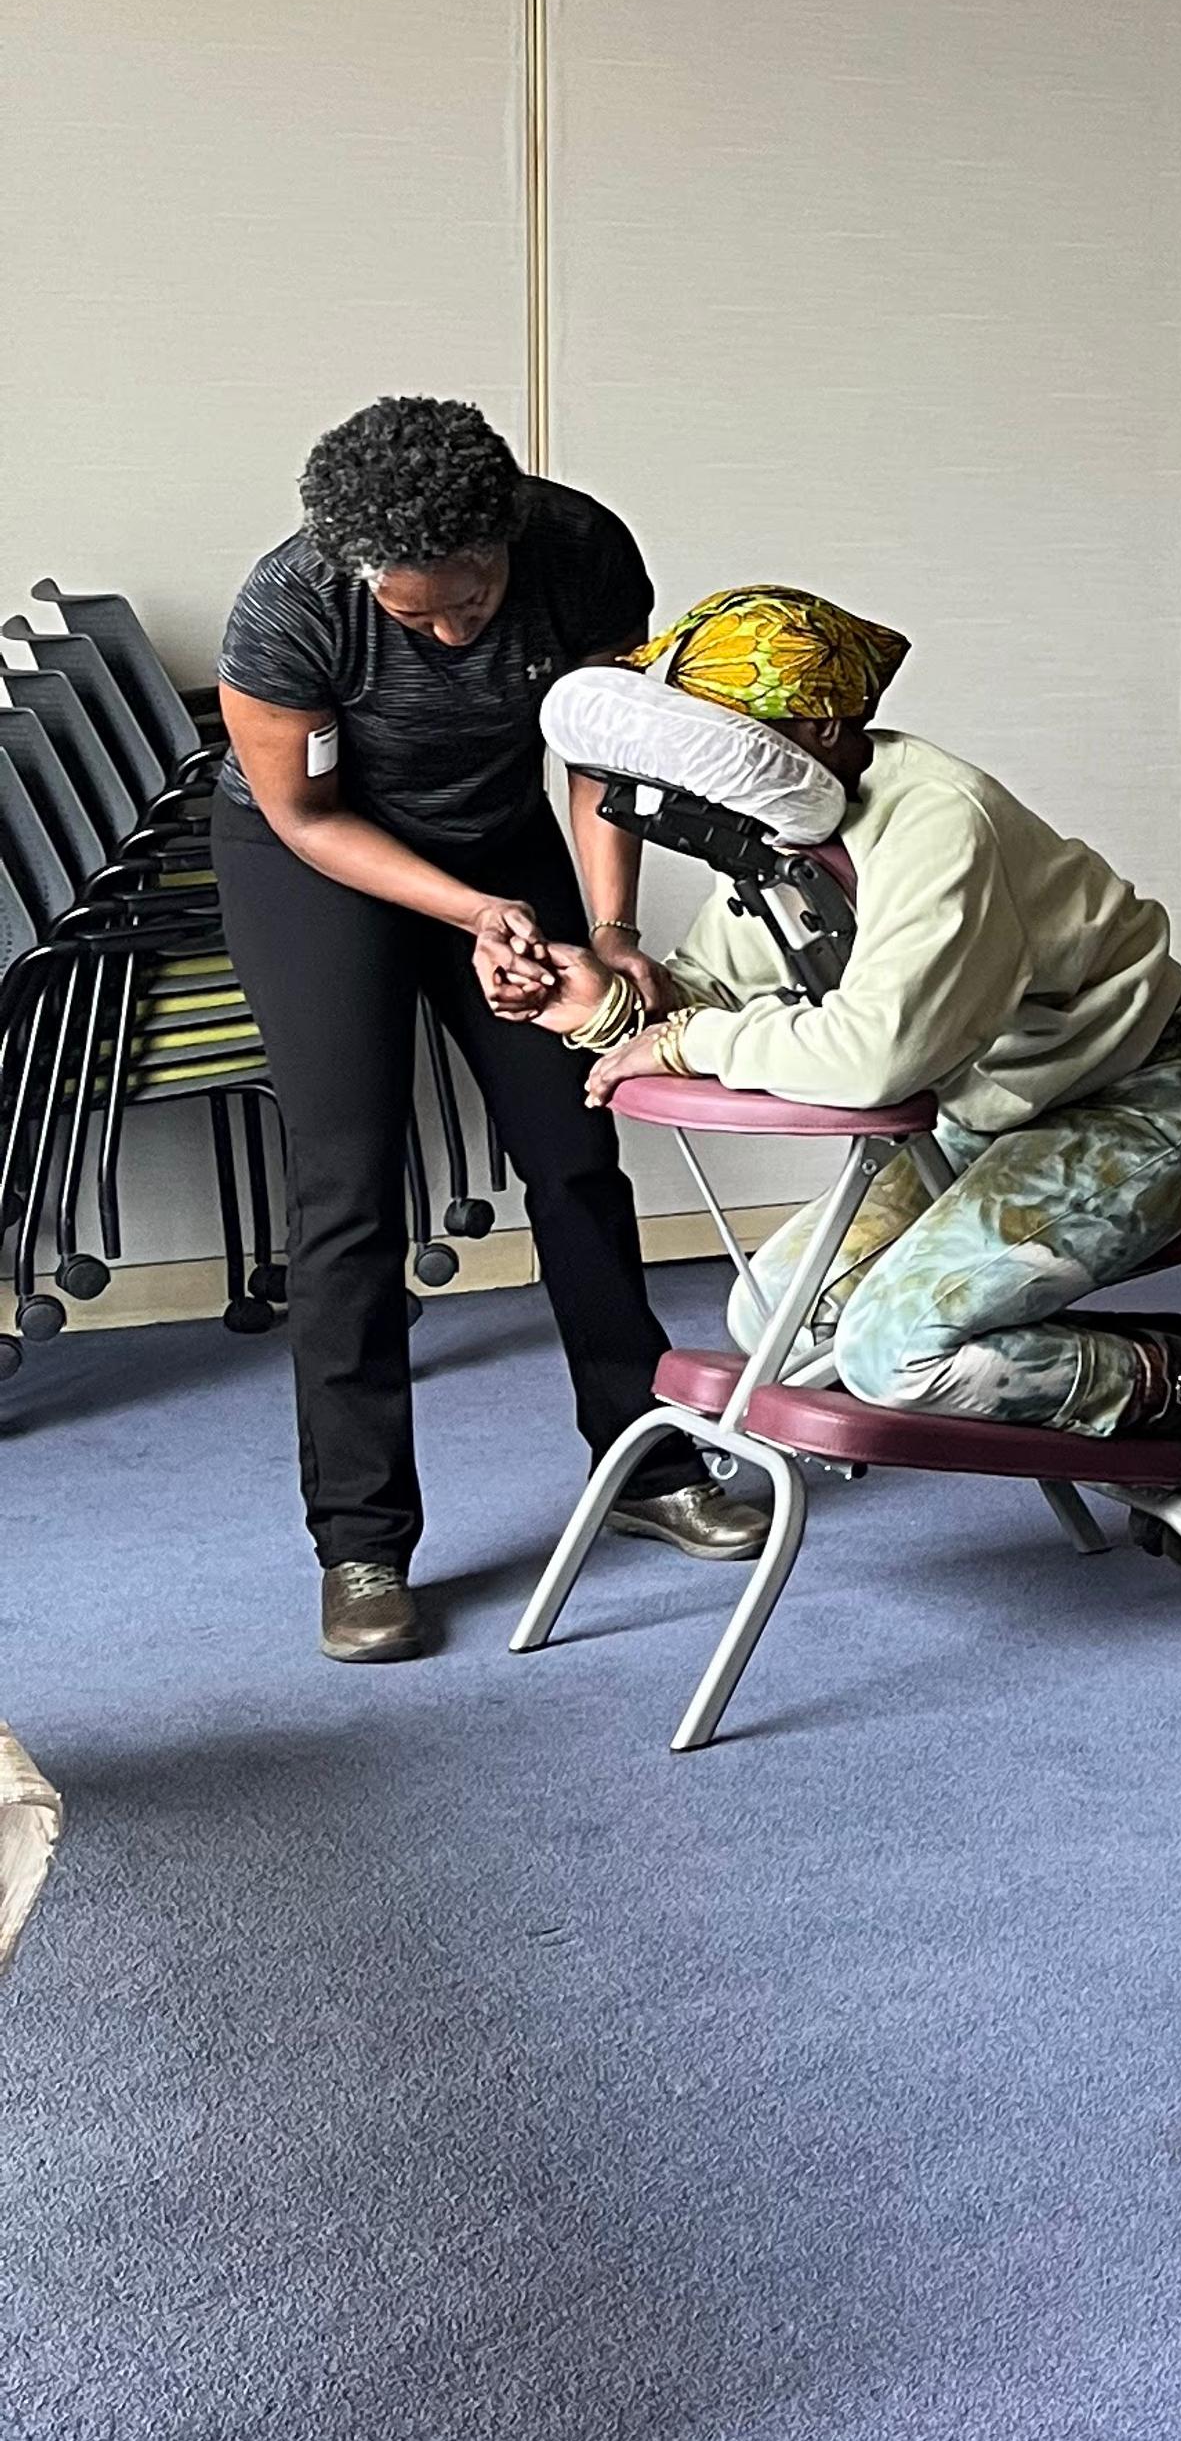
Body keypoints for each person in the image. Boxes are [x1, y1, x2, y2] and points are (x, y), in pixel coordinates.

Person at [497, 586, 1181, 1538]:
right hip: (988, 1113)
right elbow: (709, 990)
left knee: (894, 1355)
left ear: (824, 725)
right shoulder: (790, 839)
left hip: (1145, 1094)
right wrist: (602, 1004)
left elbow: (874, 1060)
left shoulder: (936, 824)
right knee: (775, 1317)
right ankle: (1151, 1367)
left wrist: (682, 1039)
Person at [211, 396, 762, 1665]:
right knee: (347, 1183)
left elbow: (601, 754)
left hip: (505, 830)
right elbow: (304, 814)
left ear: (508, 532)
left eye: (473, 598)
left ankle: (644, 1458)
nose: (456, 628)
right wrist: (477, 914)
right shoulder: (290, 603)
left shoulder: (581, 548)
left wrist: (611, 931)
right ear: (363, 579)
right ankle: (361, 1543)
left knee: (573, 1145)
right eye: (421, 615)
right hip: (317, 863)